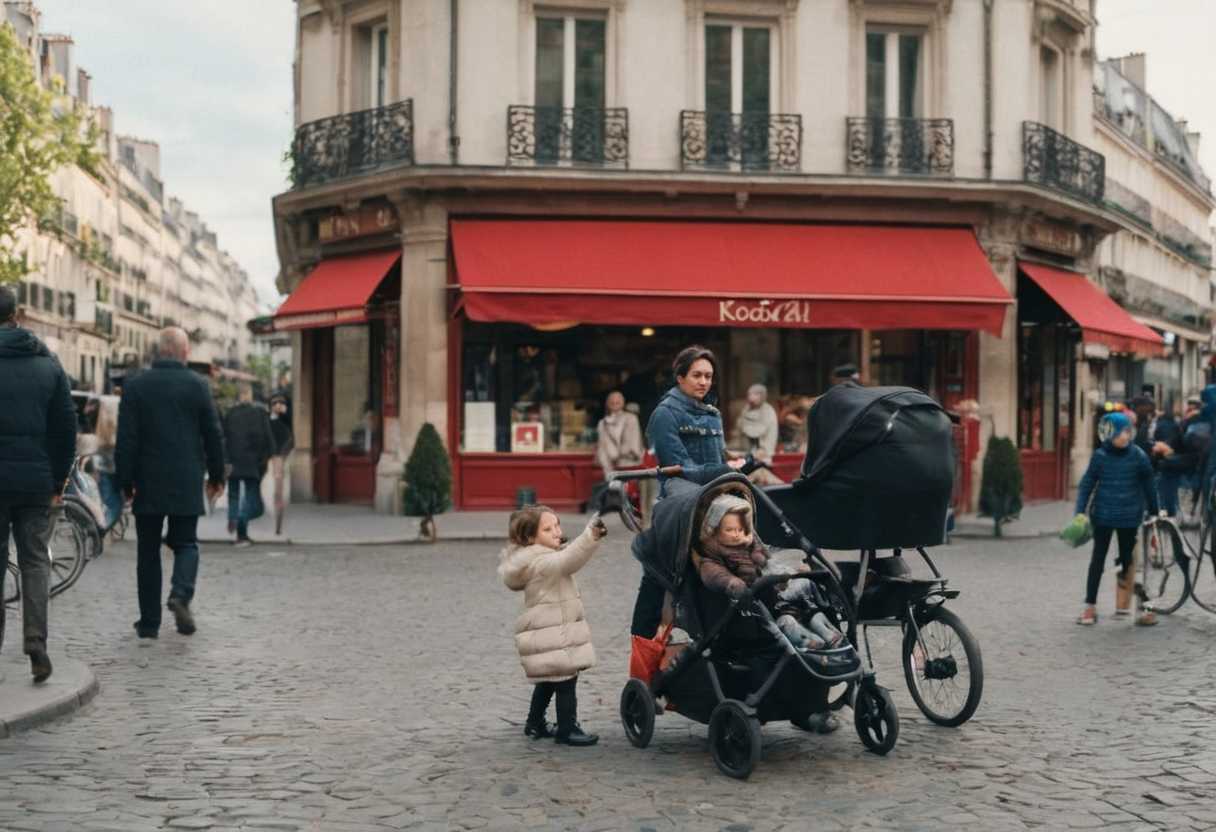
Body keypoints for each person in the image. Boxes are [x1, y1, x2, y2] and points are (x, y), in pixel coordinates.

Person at [694, 494, 843, 732]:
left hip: (771, 607)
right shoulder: (711, 558)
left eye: (740, 529)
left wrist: (789, 573)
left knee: (808, 601)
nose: (736, 534)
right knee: (781, 640)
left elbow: (772, 568)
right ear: (713, 530)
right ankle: (795, 699)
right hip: (742, 618)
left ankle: (822, 642)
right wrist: (733, 583)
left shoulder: (755, 552)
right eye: (729, 530)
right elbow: (714, 576)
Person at [116, 327, 226, 639]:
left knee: (148, 552)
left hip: (147, 479)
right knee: (186, 542)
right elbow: (213, 434)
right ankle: (180, 593)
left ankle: (149, 623)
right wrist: (217, 475)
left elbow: (127, 439)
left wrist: (125, 481)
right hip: (186, 477)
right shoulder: (198, 385)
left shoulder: (136, 386)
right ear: (184, 352)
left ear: (158, 351)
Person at [633, 346, 748, 639]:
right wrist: (723, 470)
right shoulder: (665, 414)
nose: (704, 382)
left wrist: (736, 463)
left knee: (720, 574)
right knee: (657, 578)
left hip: (715, 508)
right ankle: (643, 649)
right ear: (680, 377)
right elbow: (677, 467)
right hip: (678, 509)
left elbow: (718, 457)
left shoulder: (712, 414)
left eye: (708, 376)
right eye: (697, 375)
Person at [0, 286, 75, 682]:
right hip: (35, 481)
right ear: (18, 315)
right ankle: (36, 642)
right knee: (34, 560)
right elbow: (65, 429)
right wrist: (58, 479)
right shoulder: (48, 365)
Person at [498, 505, 607, 747]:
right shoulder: (543, 562)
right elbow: (570, 559)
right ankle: (567, 729)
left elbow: (565, 556)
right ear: (530, 538)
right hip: (553, 632)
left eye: (557, 525)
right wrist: (591, 533)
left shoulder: (538, 558)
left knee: (549, 679)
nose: (556, 531)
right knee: (566, 680)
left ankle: (534, 722)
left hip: (549, 630)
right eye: (547, 529)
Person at [1074, 411, 1159, 627]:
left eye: (1127, 432)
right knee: (1097, 561)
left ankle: (1142, 607)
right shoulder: (1100, 456)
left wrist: (1155, 511)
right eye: (1120, 433)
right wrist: (1079, 511)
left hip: (1129, 518)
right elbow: (1087, 484)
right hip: (1103, 517)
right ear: (1108, 434)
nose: (1125, 436)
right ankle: (1089, 607)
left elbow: (1149, 484)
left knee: (1128, 564)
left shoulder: (1138, 455)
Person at [223, 385, 275, 547]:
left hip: (233, 460)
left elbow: (223, 437)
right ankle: (241, 528)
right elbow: (267, 437)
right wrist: (266, 457)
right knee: (251, 498)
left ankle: (232, 517)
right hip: (252, 461)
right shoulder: (259, 413)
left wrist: (225, 460)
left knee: (233, 494)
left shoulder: (230, 413)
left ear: (239, 396)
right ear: (250, 396)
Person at [738, 384, 781, 485]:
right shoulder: (746, 409)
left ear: (762, 396)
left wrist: (745, 427)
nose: (751, 397)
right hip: (748, 452)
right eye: (749, 394)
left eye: (755, 394)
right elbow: (740, 424)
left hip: (763, 453)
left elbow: (756, 431)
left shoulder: (767, 411)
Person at [595, 390, 643, 476]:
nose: (614, 403)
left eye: (617, 401)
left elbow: (634, 442)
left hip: (629, 464)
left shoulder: (631, 419)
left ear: (623, 403)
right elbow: (602, 446)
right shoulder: (602, 423)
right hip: (610, 466)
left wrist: (619, 454)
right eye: (612, 401)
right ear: (607, 404)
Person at [268, 392, 294, 536]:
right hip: (269, 459)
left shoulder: (287, 419)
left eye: (281, 403)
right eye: (275, 403)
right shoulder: (267, 419)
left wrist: (285, 413)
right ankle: (276, 519)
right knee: (273, 491)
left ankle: (278, 524)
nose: (278, 406)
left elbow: (291, 436)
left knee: (279, 492)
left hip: (281, 459)